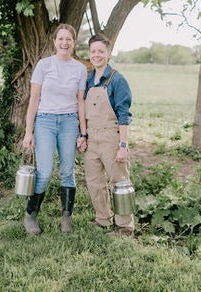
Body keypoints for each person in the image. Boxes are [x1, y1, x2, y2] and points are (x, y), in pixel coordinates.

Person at [22, 24, 87, 235]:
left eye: (68, 39)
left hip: (69, 122)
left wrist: (83, 132)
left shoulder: (79, 69)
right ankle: (31, 215)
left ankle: (66, 216)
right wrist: (28, 131)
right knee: (45, 170)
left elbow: (80, 102)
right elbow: (34, 99)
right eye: (61, 39)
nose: (64, 43)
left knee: (68, 171)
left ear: (73, 43)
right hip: (45, 121)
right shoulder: (44, 65)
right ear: (55, 41)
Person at [78, 34, 135, 237]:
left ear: (108, 53)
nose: (96, 55)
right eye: (93, 51)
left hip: (111, 137)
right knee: (94, 182)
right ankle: (103, 219)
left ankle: (125, 226)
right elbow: (82, 112)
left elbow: (123, 115)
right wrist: (82, 136)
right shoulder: (87, 81)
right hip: (91, 138)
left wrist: (122, 145)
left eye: (101, 51)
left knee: (119, 182)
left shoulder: (117, 80)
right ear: (89, 53)